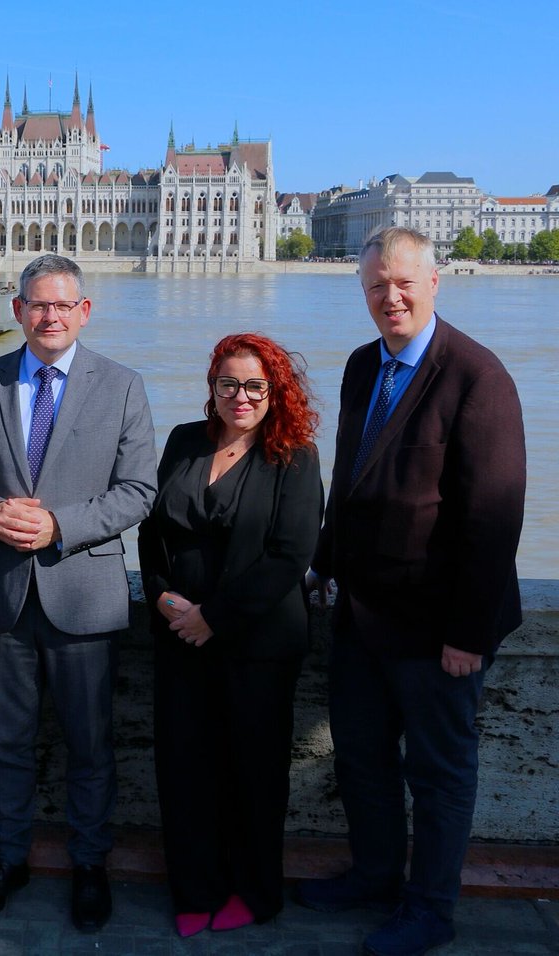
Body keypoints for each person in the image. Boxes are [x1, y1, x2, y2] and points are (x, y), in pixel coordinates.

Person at [299, 227, 527, 956]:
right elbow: (353, 477)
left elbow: (493, 519)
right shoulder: (365, 365)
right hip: (363, 614)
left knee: (438, 773)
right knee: (361, 760)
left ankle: (430, 909)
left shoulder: (476, 376)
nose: (388, 297)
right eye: (375, 286)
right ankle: (373, 877)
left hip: (437, 627)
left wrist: (469, 633)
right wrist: (323, 562)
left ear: (436, 282)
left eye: (402, 283)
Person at [0, 253, 157, 932]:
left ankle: (90, 865)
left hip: (85, 596)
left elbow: (139, 492)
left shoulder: (122, 386)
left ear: (84, 311)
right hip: (3, 594)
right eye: (38, 304)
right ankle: (8, 861)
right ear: (18, 311)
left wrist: (60, 525)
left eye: (64, 305)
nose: (51, 316)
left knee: (90, 745)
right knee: (5, 742)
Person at [137, 333, 322, 938]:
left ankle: (256, 891)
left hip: (257, 643)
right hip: (179, 637)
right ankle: (194, 887)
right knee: (184, 768)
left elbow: (289, 556)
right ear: (212, 387)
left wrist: (212, 615)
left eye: (254, 385)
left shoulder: (295, 455)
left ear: (275, 391)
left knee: (254, 773)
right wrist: (164, 598)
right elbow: (152, 531)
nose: (240, 396)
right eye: (228, 384)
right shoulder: (185, 441)